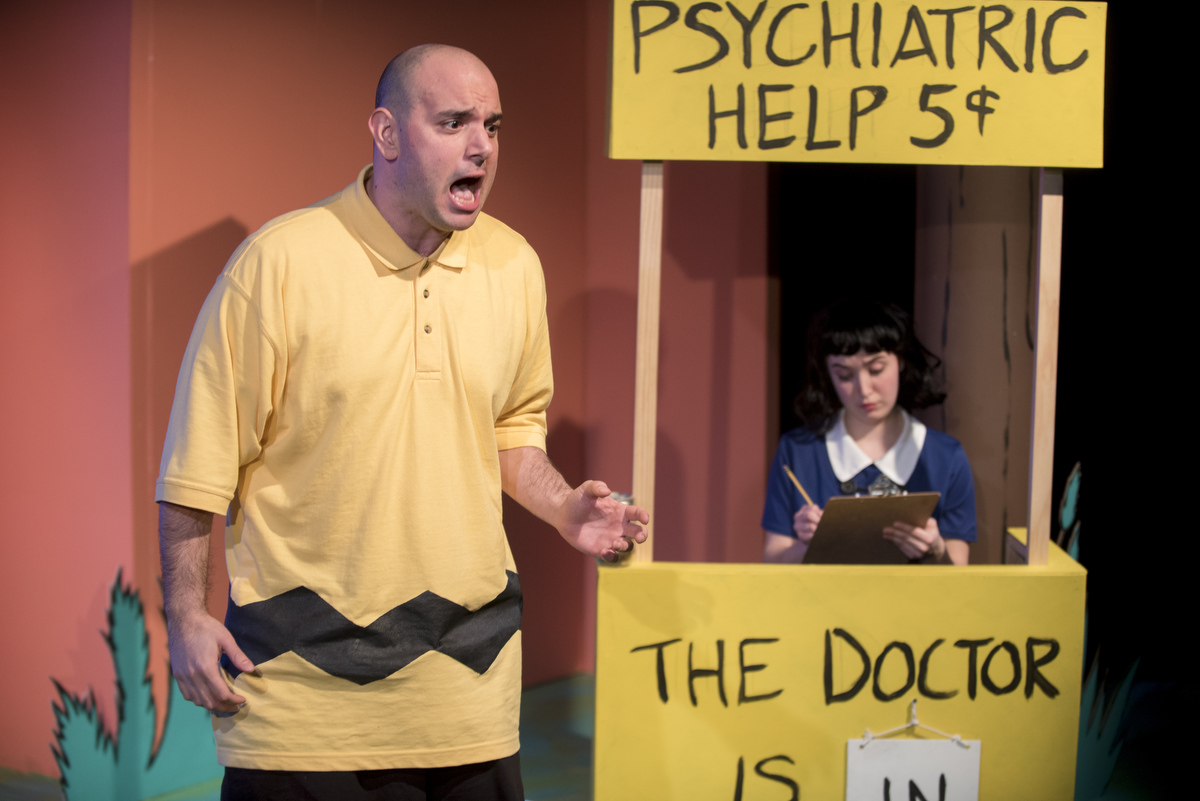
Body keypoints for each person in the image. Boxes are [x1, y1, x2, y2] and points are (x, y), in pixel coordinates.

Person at [155, 44, 647, 800]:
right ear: (386, 134)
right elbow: (197, 467)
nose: (481, 146)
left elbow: (513, 428)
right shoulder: (278, 264)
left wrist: (563, 508)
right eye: (453, 123)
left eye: (492, 125)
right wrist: (185, 615)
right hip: (302, 700)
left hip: (469, 693)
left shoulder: (514, 265)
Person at [761, 299, 975, 565]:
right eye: (844, 375)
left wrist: (936, 549)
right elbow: (773, 561)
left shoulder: (945, 457)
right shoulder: (798, 451)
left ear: (901, 361)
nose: (864, 390)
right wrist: (810, 545)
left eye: (876, 370)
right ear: (827, 374)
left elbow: (959, 572)